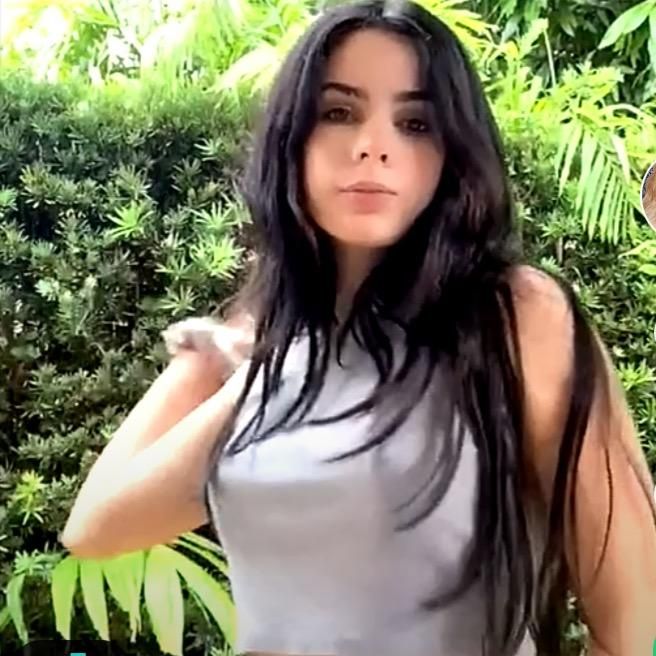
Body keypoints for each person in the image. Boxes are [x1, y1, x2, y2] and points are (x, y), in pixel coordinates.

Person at [60, 1, 656, 655]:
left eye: (415, 122)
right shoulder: (278, 365)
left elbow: (634, 624)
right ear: (293, 139)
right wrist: (210, 358)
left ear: (452, 154)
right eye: (339, 112)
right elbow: (96, 526)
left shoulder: (512, 317)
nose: (374, 145)